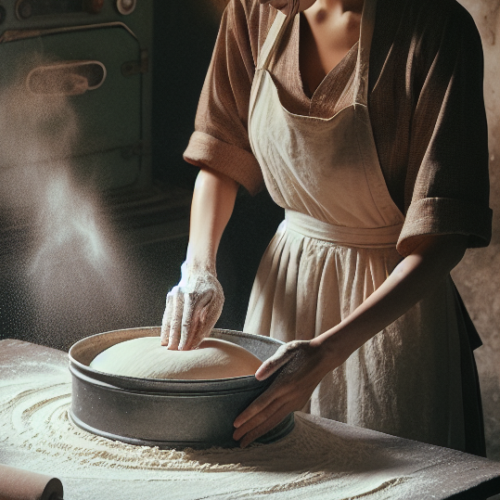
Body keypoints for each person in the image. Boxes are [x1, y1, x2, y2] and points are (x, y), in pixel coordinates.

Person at [160, 0, 491, 454]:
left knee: (383, 469)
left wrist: (328, 352)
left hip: (388, 313)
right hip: (286, 285)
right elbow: (221, 152)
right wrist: (197, 267)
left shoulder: (436, 29)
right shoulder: (255, 10)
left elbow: (444, 236)